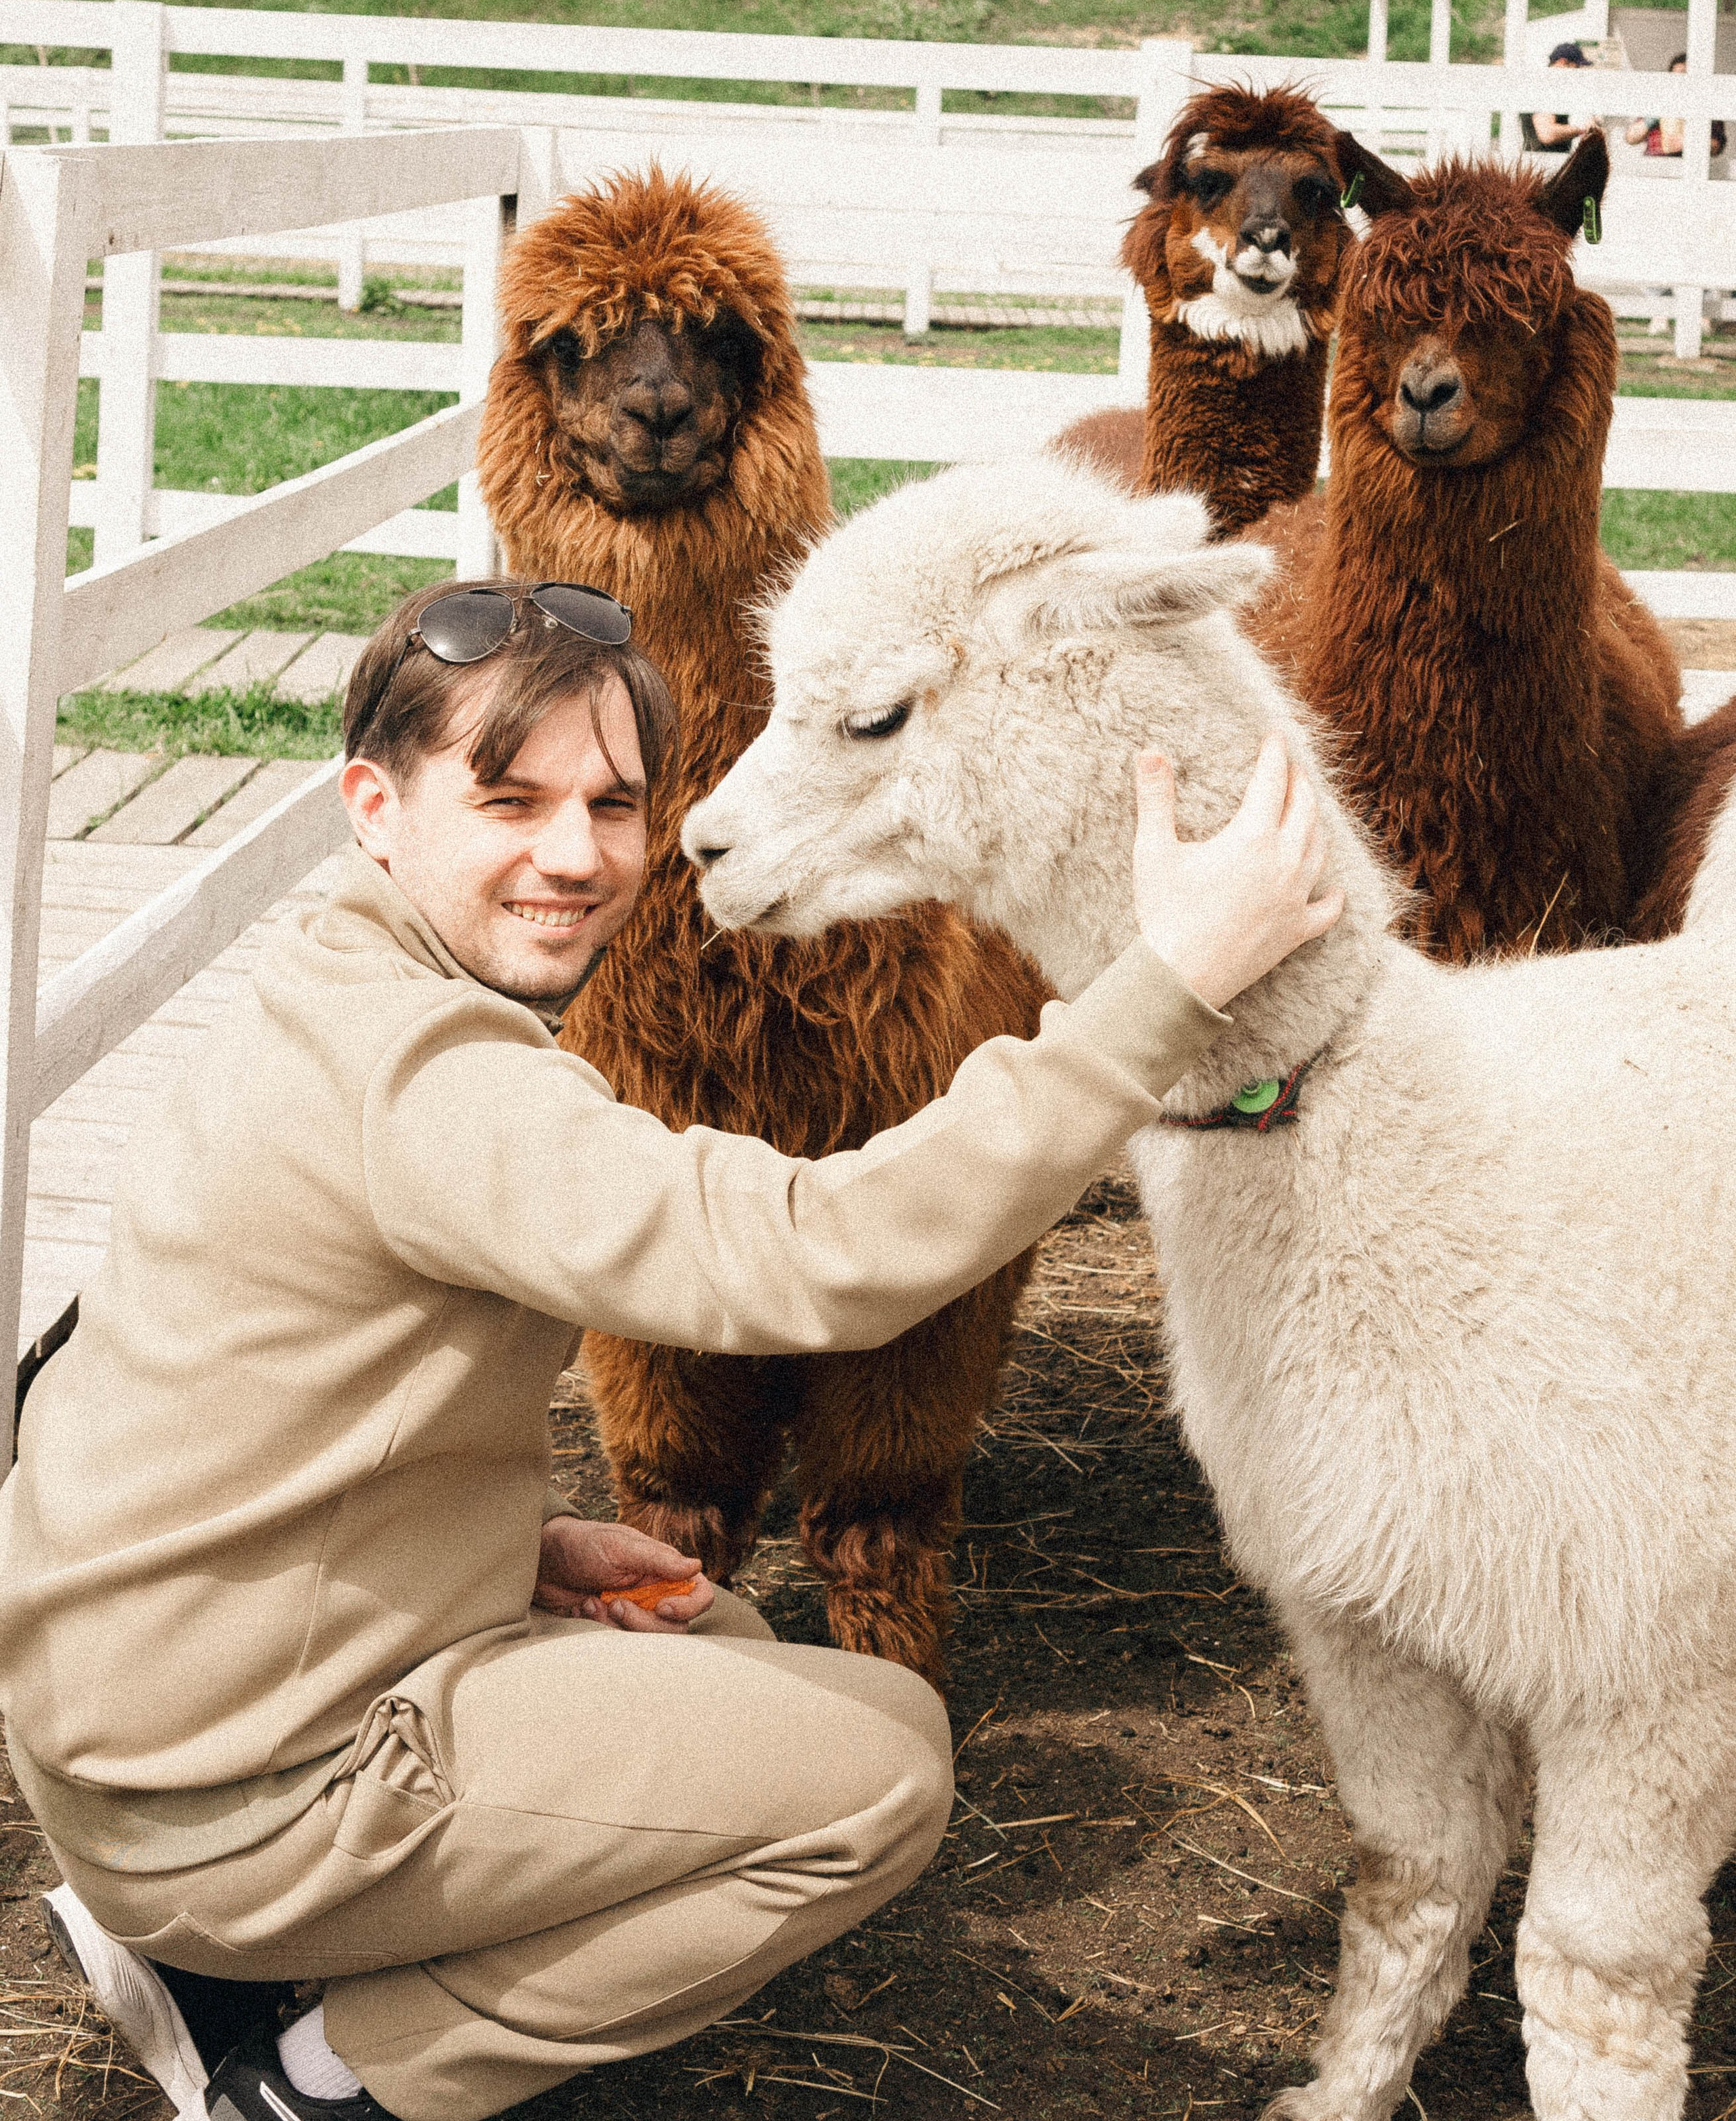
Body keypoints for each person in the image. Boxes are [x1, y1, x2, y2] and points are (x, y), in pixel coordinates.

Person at [0, 576, 1341, 2121]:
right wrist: (1156, 993)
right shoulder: (427, 1080)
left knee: (718, 1647)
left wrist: (484, 1546)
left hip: (136, 1727)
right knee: (882, 1773)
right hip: (220, 1792)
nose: (574, 854)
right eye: (508, 797)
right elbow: (809, 1256)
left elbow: (207, 1390)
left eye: (613, 803)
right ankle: (323, 2077)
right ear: (374, 803)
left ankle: (221, 1956)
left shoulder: (322, 987)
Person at [1624, 49, 1727, 157]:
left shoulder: (1706, 106)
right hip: (1655, 166)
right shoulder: (1659, 102)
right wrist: (1652, 119)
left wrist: (1689, 142)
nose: (1680, 83)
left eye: (1684, 77)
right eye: (1676, 78)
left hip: (1690, 166)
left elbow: (1716, 146)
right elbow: (1631, 138)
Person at [1528, 40, 1598, 151]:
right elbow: (1547, 134)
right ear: (1563, 62)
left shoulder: (1547, 88)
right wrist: (1583, 129)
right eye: (1576, 68)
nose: (1578, 74)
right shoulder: (1545, 90)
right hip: (1544, 161)